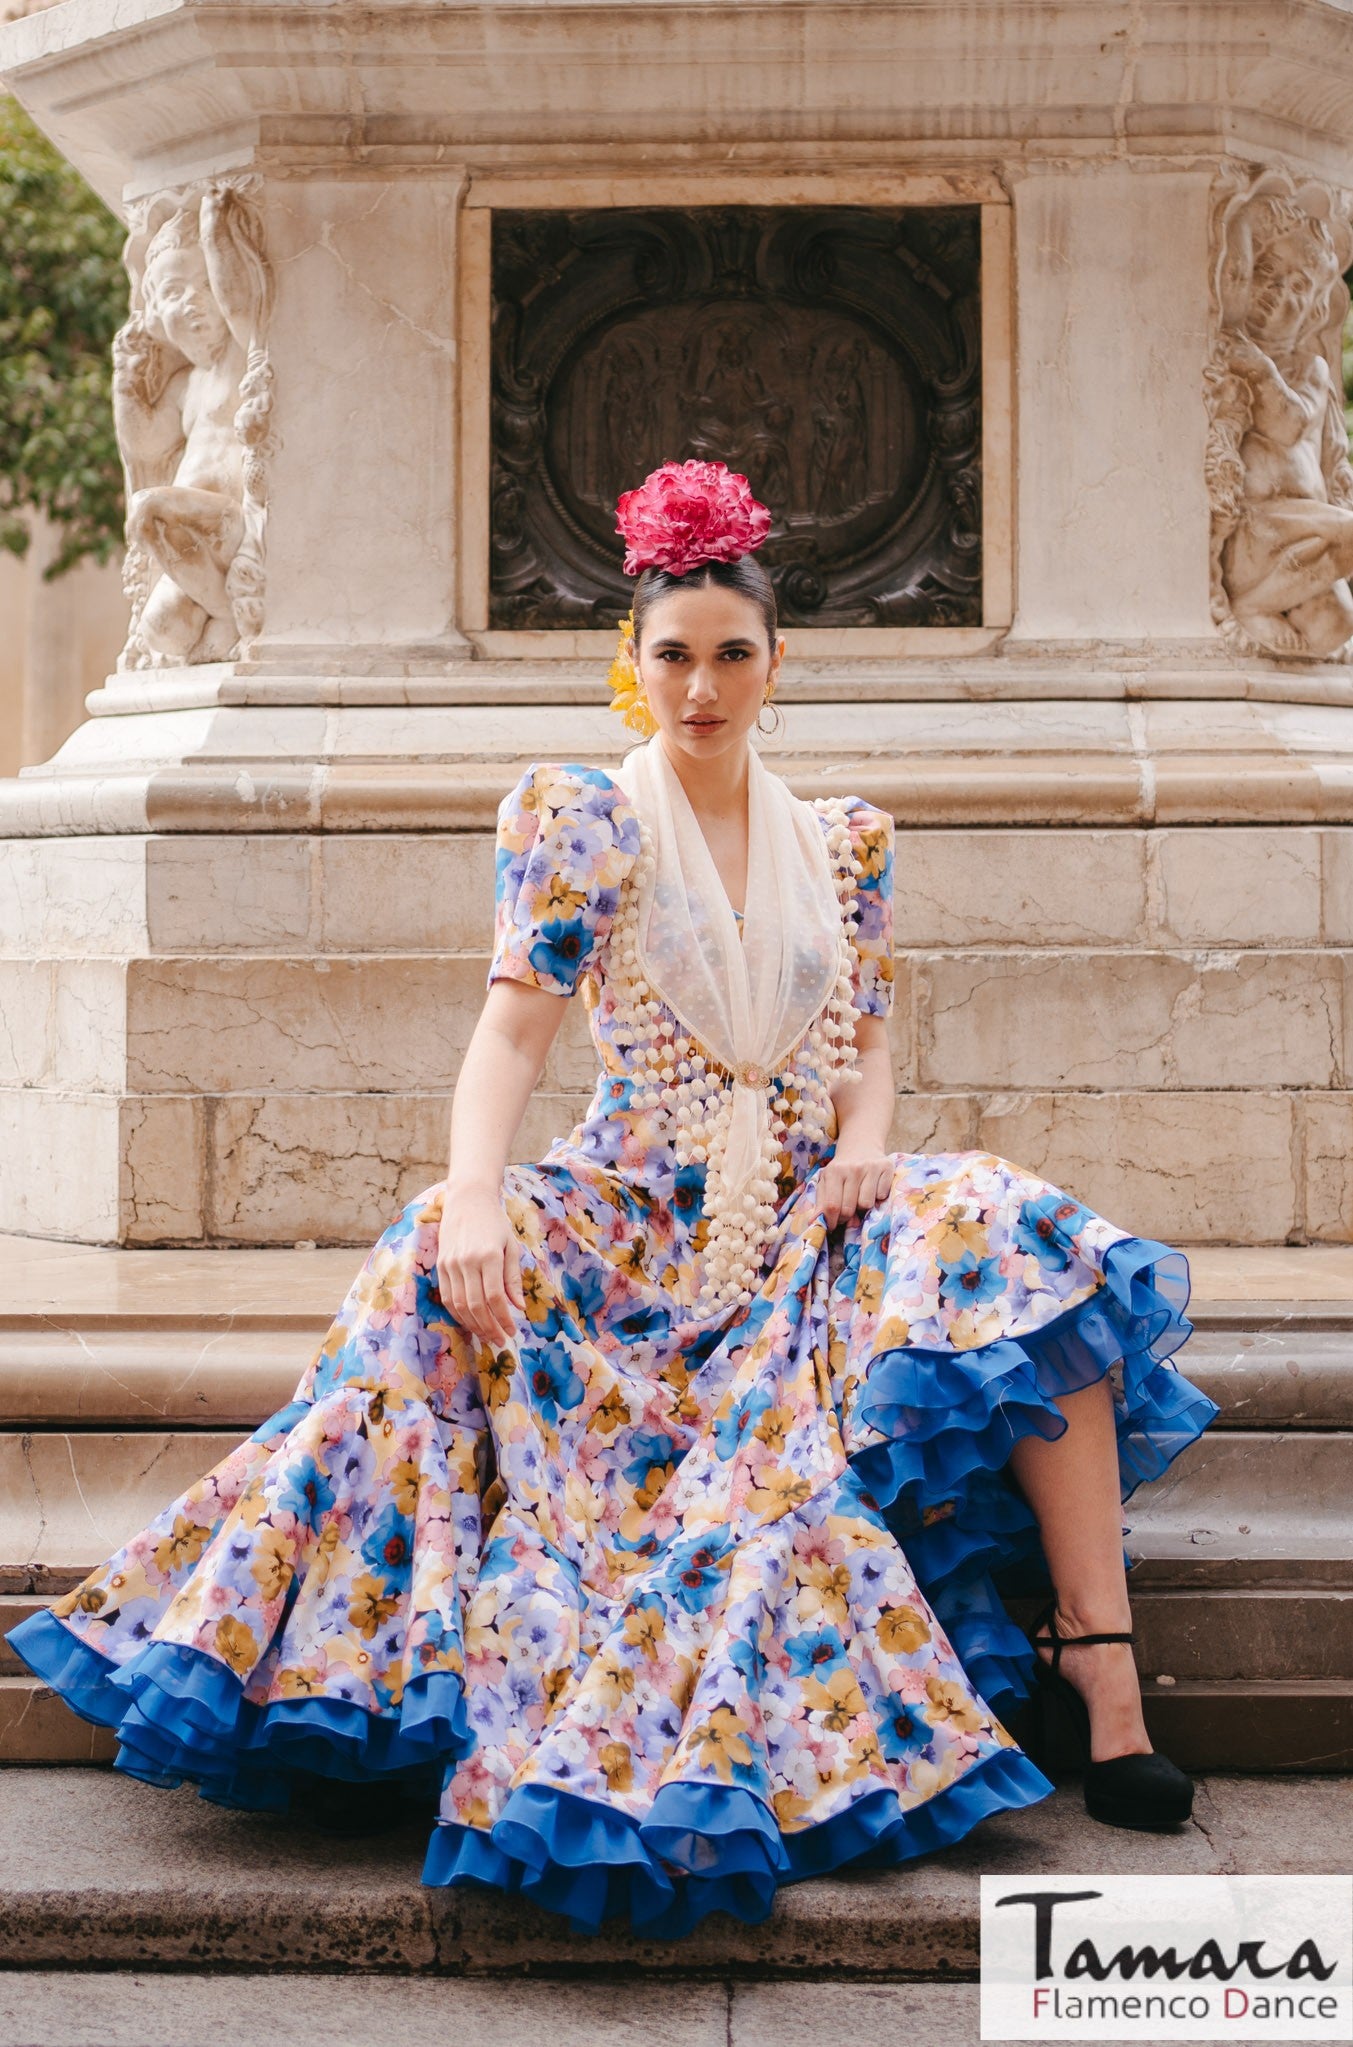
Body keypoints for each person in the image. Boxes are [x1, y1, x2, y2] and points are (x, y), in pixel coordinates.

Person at [7, 460, 1220, 1939]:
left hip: (806, 1218)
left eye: (731, 655)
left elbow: (868, 1044)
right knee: (425, 1259)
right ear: (630, 661)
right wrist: (471, 1193)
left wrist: (865, 1146)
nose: (700, 688)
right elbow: (512, 1036)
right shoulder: (583, 821)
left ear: (777, 663)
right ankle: (358, 1677)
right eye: (673, 655)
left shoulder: (847, 841)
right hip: (627, 1217)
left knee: (1014, 1235)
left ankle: (1101, 1663)